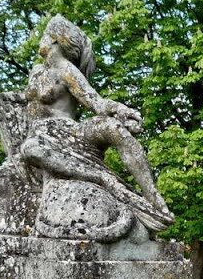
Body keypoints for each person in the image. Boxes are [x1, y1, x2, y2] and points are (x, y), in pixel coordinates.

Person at [16, 15, 173, 234]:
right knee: (30, 148)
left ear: (54, 40)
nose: (39, 40)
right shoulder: (37, 73)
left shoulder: (67, 70)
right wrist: (0, 98)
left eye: (44, 35)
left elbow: (95, 102)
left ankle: (153, 196)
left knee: (112, 128)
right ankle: (101, 178)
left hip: (71, 132)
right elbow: (23, 97)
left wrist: (122, 111)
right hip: (44, 136)